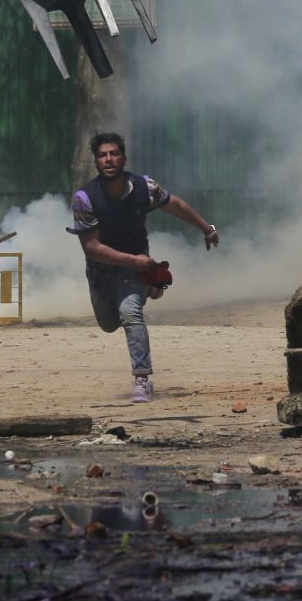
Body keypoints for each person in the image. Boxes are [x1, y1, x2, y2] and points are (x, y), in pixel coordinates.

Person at [67, 132, 220, 402]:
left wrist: (206, 229)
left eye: (114, 153)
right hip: (101, 269)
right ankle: (150, 286)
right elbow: (91, 247)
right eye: (102, 155)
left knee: (130, 313)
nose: (109, 159)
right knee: (108, 323)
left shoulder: (144, 187)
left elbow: (176, 205)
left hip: (134, 267)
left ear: (123, 158)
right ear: (96, 162)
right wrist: (134, 260)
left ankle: (142, 379)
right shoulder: (85, 198)